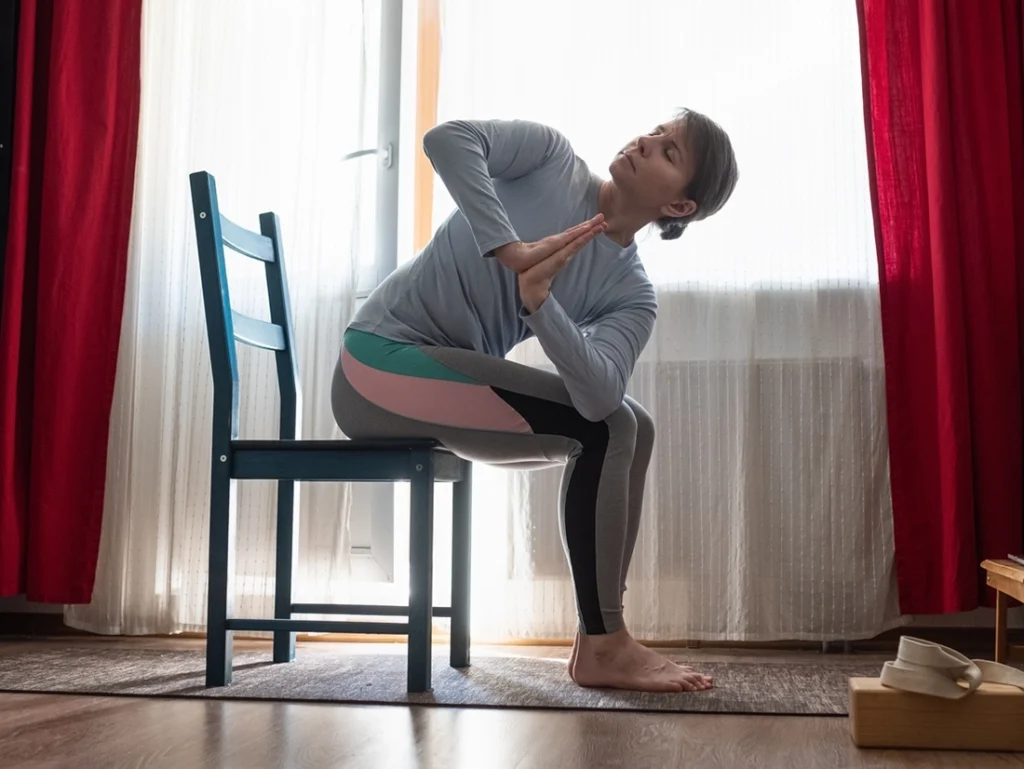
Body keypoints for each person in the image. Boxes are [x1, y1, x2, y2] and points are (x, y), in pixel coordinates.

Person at [332, 109, 739, 693]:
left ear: (678, 207)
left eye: (669, 152)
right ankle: (608, 642)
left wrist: (540, 303)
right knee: (609, 429)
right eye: (655, 131)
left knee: (629, 426)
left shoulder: (630, 291)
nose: (646, 141)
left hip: (438, 385)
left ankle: (598, 640)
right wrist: (509, 248)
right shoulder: (550, 159)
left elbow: (600, 394)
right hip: (374, 366)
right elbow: (447, 139)